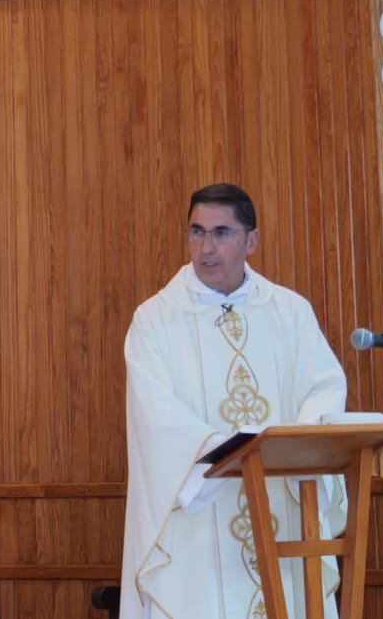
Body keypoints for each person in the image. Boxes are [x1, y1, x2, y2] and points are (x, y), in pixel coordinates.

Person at [121, 183, 349, 619]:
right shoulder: (154, 320)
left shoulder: (289, 312)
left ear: (252, 240)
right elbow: (156, 413)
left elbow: (323, 388)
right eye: (197, 232)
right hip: (197, 523)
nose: (207, 248)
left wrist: (295, 446)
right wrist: (227, 453)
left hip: (281, 504)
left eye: (222, 233)